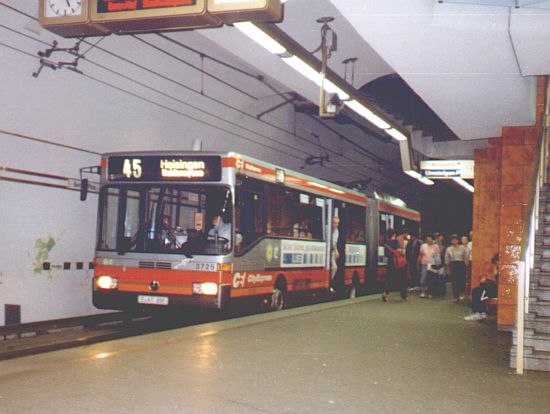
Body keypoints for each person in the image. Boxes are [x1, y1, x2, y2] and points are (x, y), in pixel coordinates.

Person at [465, 254, 499, 321]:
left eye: (496, 262)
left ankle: (478, 313)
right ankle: (482, 312)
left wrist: (490, 280)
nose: (496, 265)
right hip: (494, 288)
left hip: (495, 291)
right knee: (478, 289)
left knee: (477, 292)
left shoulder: (501, 271)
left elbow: (497, 283)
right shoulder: (497, 270)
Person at [383, 228, 407, 302]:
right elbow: (401, 251)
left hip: (390, 263)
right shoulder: (396, 242)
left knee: (389, 279)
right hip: (398, 264)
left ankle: (385, 294)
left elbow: (386, 255)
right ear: (394, 234)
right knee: (401, 279)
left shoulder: (386, 243)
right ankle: (403, 296)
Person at [445, 234, 469, 303]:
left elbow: (466, 258)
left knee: (461, 281)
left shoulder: (462, 248)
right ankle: (455, 296)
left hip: (461, 265)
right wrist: (448, 269)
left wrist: (467, 268)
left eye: (455, 240)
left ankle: (461, 295)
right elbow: (447, 260)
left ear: (458, 241)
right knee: (454, 281)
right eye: (453, 240)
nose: (454, 241)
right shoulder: (449, 249)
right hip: (453, 265)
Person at [330, 216, 340, 291]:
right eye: (335, 223)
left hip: (332, 251)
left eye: (337, 223)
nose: (336, 225)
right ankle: (329, 283)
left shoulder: (336, 231)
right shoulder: (328, 228)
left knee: (334, 267)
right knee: (334, 267)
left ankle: (330, 283)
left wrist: (335, 250)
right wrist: (336, 250)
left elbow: (334, 243)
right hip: (327, 250)